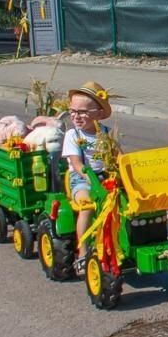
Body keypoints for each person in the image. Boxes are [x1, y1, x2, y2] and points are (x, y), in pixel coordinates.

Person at [60, 82, 113, 276]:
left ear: (99, 113)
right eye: (72, 111)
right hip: (81, 180)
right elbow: (76, 163)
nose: (76, 116)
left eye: (82, 112)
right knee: (87, 204)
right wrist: (89, 177)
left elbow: (119, 155)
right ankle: (82, 252)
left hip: (105, 178)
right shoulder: (73, 135)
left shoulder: (106, 134)